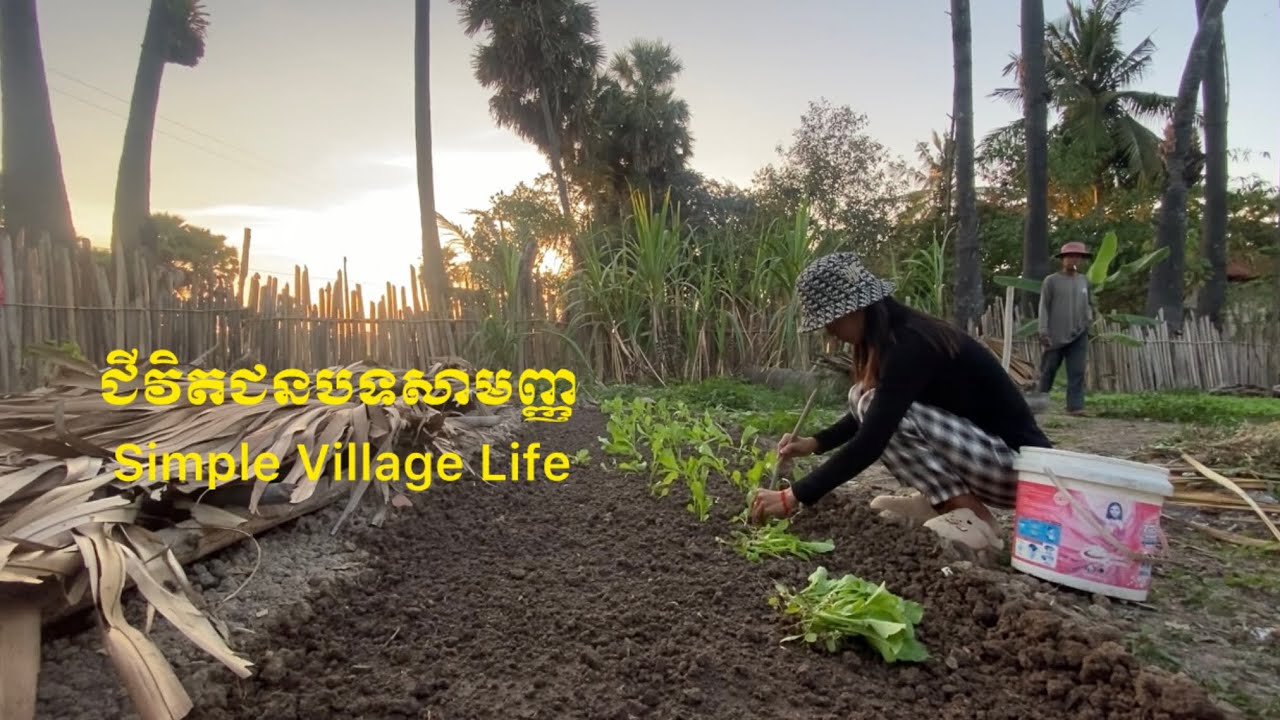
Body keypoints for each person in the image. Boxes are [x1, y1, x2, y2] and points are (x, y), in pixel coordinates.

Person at [748, 252, 1053, 552]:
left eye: (831, 322)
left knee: (869, 404)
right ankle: (942, 503)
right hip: (988, 458)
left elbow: (873, 439)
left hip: (1019, 469)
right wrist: (814, 443)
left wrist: (794, 496)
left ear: (855, 309)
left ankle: (973, 518)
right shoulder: (895, 338)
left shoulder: (911, 344)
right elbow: (875, 412)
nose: (831, 332)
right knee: (861, 396)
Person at [1038, 241, 1093, 415]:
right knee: (1049, 370)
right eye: (1069, 256)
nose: (1073, 259)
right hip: (1055, 335)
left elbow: (1087, 304)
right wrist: (1043, 331)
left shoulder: (1084, 281)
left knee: (1076, 371)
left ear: (1082, 259)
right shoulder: (1051, 281)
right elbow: (1044, 307)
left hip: (1079, 332)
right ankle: (1038, 404)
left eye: (1077, 256)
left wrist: (1088, 320)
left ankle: (1075, 407)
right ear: (1062, 259)